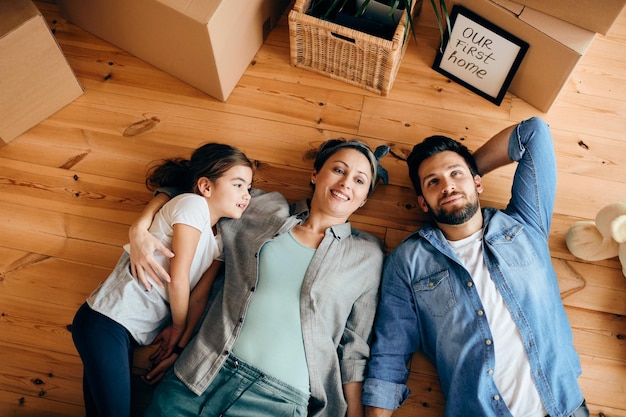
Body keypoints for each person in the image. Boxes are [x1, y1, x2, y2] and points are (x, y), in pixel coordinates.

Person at [130, 139, 388, 417]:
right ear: (315, 174)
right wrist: (139, 227)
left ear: (363, 199)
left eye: (360, 180)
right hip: (199, 375)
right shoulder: (262, 208)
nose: (346, 182)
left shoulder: (367, 255)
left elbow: (354, 348)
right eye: (339, 170)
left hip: (279, 402)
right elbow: (195, 183)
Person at [362, 117, 588, 417]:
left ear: (478, 181)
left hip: (564, 408)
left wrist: (467, 169)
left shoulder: (525, 224)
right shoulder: (407, 262)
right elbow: (389, 353)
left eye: (456, 175)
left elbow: (534, 133)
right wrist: (461, 174)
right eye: (433, 182)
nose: (447, 186)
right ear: (422, 202)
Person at [71, 143, 253, 417]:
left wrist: (180, 344)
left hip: (126, 332)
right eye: (238, 185)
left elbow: (199, 298)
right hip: (108, 320)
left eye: (249, 188)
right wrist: (178, 326)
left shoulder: (219, 242)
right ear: (205, 186)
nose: (246, 195)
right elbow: (177, 279)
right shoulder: (192, 206)